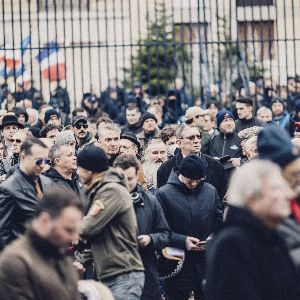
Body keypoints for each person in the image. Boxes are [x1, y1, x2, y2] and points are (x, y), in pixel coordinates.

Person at [205, 160, 300, 300]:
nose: (289, 194)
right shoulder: (233, 244)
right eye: (277, 188)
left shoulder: (272, 234)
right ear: (251, 198)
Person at [77, 146, 145, 300]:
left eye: (80, 168)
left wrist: (64, 230)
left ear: (90, 170)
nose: (78, 172)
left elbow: (88, 226)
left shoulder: (111, 191)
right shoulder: (97, 191)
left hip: (123, 275)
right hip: (111, 274)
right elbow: (99, 237)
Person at [156, 155, 223, 299]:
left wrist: (212, 238)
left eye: (197, 180)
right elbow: (158, 230)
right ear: (181, 174)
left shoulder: (210, 191)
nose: (193, 183)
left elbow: (219, 222)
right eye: (189, 180)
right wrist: (182, 240)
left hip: (204, 260)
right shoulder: (164, 194)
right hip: (176, 260)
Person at [0, 187, 83, 300]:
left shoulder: (59, 253)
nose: (74, 238)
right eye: (68, 230)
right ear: (45, 221)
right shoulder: (16, 262)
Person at [114, 154, 170, 300]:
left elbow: (165, 234)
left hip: (147, 273)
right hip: (115, 273)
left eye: (130, 178)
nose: (125, 183)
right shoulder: (105, 200)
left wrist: (150, 239)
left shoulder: (151, 201)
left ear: (137, 174)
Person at [0, 138, 52, 249]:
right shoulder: (8, 188)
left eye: (46, 161)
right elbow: (3, 231)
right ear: (23, 157)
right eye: (38, 161)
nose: (43, 165)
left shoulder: (46, 181)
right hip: (23, 253)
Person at [157, 124, 227, 200]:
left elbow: (219, 199)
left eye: (198, 137)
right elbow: (164, 201)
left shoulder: (216, 166)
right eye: (191, 138)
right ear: (179, 143)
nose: (196, 141)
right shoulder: (165, 169)